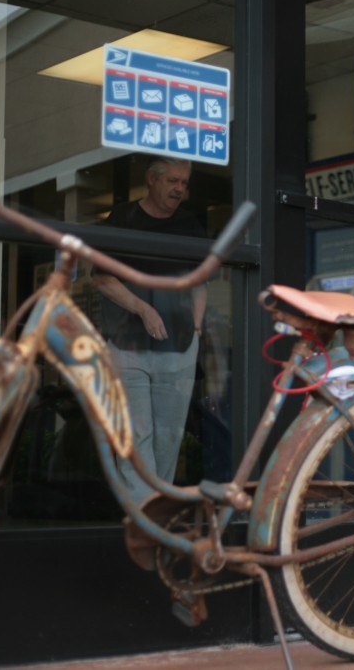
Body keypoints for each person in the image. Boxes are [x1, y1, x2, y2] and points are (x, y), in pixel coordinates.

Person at [93, 157, 206, 502]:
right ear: (151, 180)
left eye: (184, 184)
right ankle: (143, 514)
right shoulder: (123, 219)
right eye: (173, 181)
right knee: (136, 433)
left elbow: (200, 282)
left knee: (169, 436)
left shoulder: (190, 225)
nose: (179, 189)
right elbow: (101, 278)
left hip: (179, 347)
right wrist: (143, 309)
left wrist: (197, 330)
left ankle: (160, 509)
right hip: (127, 347)